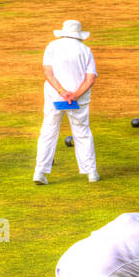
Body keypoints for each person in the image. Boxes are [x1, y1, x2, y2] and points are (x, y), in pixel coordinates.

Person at [34, 19, 98, 185]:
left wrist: (62, 92)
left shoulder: (52, 46)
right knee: (82, 133)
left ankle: (40, 172)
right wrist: (74, 95)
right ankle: (91, 172)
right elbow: (90, 78)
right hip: (78, 100)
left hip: (55, 97)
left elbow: (48, 73)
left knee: (48, 132)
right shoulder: (85, 50)